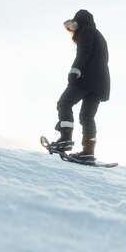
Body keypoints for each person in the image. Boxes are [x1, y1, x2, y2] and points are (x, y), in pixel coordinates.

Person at [52, 9, 110, 162]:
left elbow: (83, 52)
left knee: (64, 103)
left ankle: (65, 138)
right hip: (101, 83)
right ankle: (88, 151)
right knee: (87, 116)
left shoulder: (86, 31)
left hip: (86, 77)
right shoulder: (100, 36)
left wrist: (75, 70)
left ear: (78, 22)